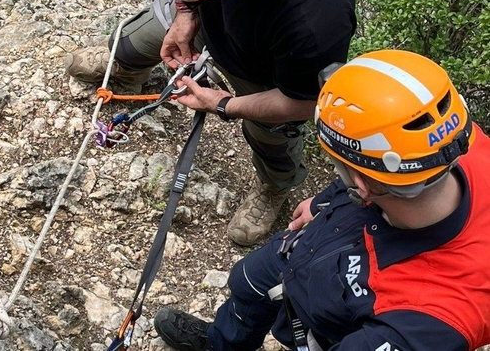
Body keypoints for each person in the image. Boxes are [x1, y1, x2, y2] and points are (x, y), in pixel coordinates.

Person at [65, 0, 357, 246]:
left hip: (263, 71)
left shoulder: (315, 16)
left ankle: (274, 186)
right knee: (130, 42)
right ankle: (126, 72)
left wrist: (222, 103)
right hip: (210, 19)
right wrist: (186, 13)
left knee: (270, 135)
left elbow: (303, 101)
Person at [153, 49, 490, 351]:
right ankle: (221, 342)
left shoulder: (429, 322)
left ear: (362, 184)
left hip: (335, 313)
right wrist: (322, 202)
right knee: (248, 279)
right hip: (326, 238)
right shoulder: (450, 136)